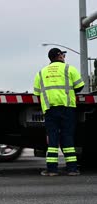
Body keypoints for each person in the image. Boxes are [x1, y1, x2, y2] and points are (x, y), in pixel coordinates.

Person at [33, 48, 85, 176]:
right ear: (59, 56)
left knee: (52, 139)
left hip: (50, 109)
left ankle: (52, 170)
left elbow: (36, 93)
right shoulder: (69, 69)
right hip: (68, 108)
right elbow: (79, 86)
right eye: (63, 54)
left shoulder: (41, 73)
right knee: (67, 137)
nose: (64, 56)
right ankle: (72, 169)